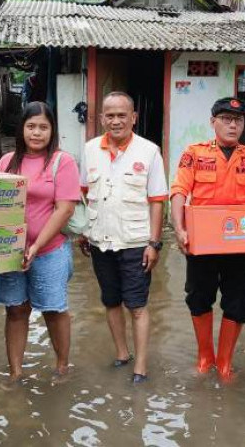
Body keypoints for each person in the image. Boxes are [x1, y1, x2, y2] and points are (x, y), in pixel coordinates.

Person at [170, 97, 245, 381]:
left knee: (238, 300)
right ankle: (205, 356)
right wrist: (179, 229)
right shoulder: (194, 153)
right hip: (202, 242)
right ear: (213, 121)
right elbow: (179, 191)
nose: (233, 124)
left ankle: (225, 361)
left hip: (240, 241)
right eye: (226, 119)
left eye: (238, 120)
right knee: (198, 296)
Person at [79, 91, 167, 383]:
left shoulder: (149, 151)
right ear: (102, 117)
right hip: (100, 240)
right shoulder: (90, 149)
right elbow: (83, 195)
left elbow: (157, 201)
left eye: (122, 115)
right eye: (110, 115)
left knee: (137, 306)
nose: (116, 121)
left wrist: (154, 244)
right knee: (111, 301)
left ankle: (140, 366)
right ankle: (121, 354)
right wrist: (83, 231)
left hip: (135, 242)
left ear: (133, 118)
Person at [0, 101, 80, 381]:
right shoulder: (7, 162)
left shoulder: (62, 162)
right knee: (16, 309)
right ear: (21, 128)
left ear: (52, 130)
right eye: (31, 126)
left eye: (43, 127)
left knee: (53, 310)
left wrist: (35, 246)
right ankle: (16, 373)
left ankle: (62, 367)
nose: (37, 133)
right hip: (11, 252)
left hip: (50, 251)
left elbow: (65, 208)